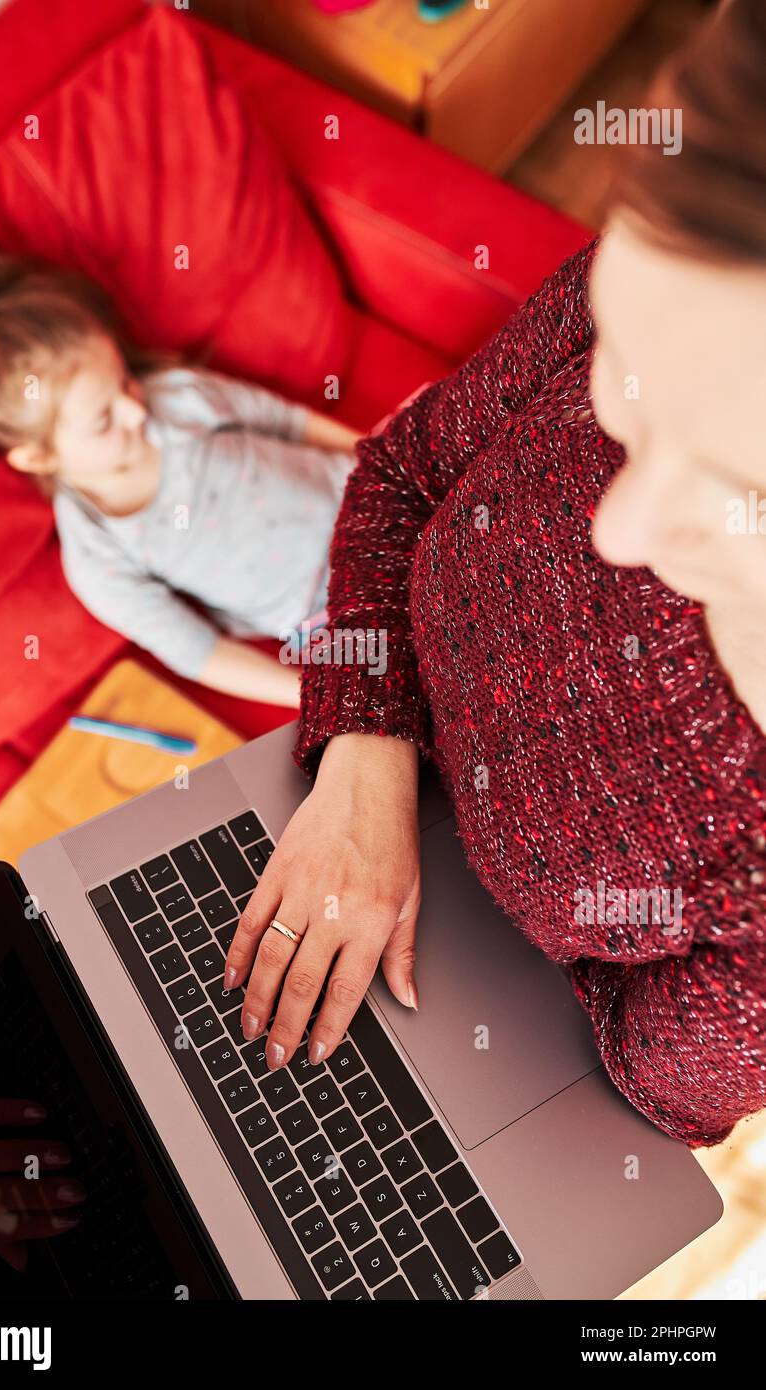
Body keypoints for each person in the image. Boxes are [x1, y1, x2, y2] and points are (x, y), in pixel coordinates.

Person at [221, 0, 766, 1149]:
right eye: (626, 372)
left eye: (744, 496)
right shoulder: (705, 275)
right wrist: (366, 760)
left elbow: (643, 1088)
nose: (617, 526)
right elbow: (407, 470)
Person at [0, 250, 362, 708]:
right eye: (103, 419)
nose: (135, 409)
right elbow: (200, 653)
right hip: (331, 614)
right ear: (37, 457)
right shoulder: (98, 553)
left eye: (124, 381)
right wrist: (313, 695)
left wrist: (376, 456)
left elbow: (286, 421)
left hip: (373, 503)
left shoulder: (175, 398)